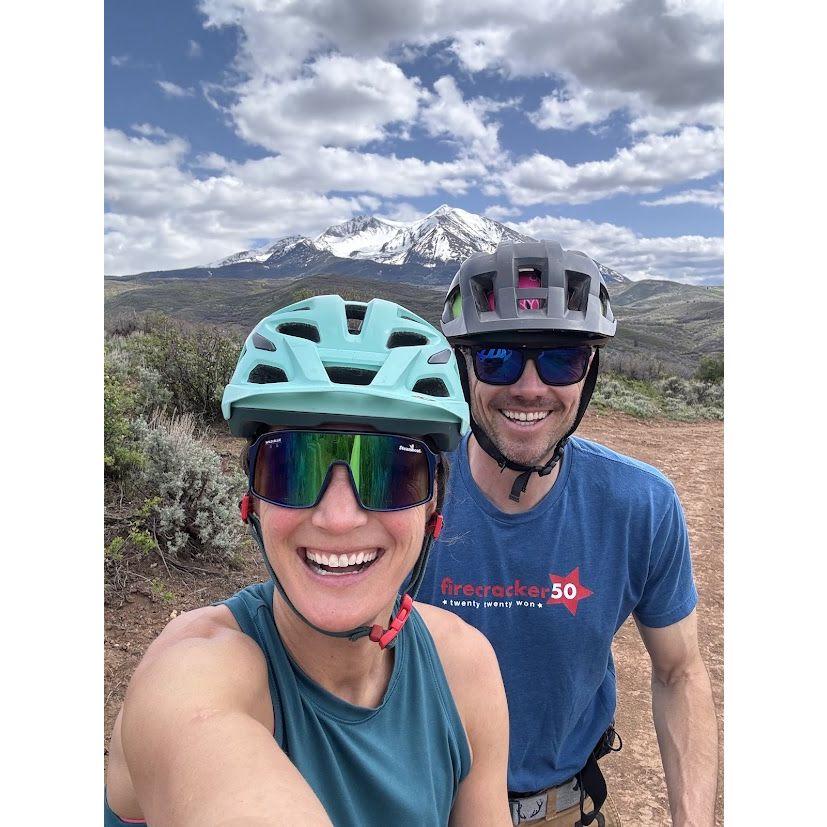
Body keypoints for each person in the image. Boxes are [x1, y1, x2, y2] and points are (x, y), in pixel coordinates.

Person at [104, 295, 512, 826]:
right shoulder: (192, 673)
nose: (338, 518)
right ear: (252, 500)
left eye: (390, 472)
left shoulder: (465, 668)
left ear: (432, 505)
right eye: (293, 467)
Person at [417, 242, 719, 826]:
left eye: (561, 360)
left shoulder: (639, 503)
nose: (530, 388)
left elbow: (681, 672)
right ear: (463, 368)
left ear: (591, 372)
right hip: (419, 806)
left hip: (563, 810)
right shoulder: (404, 492)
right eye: (498, 358)